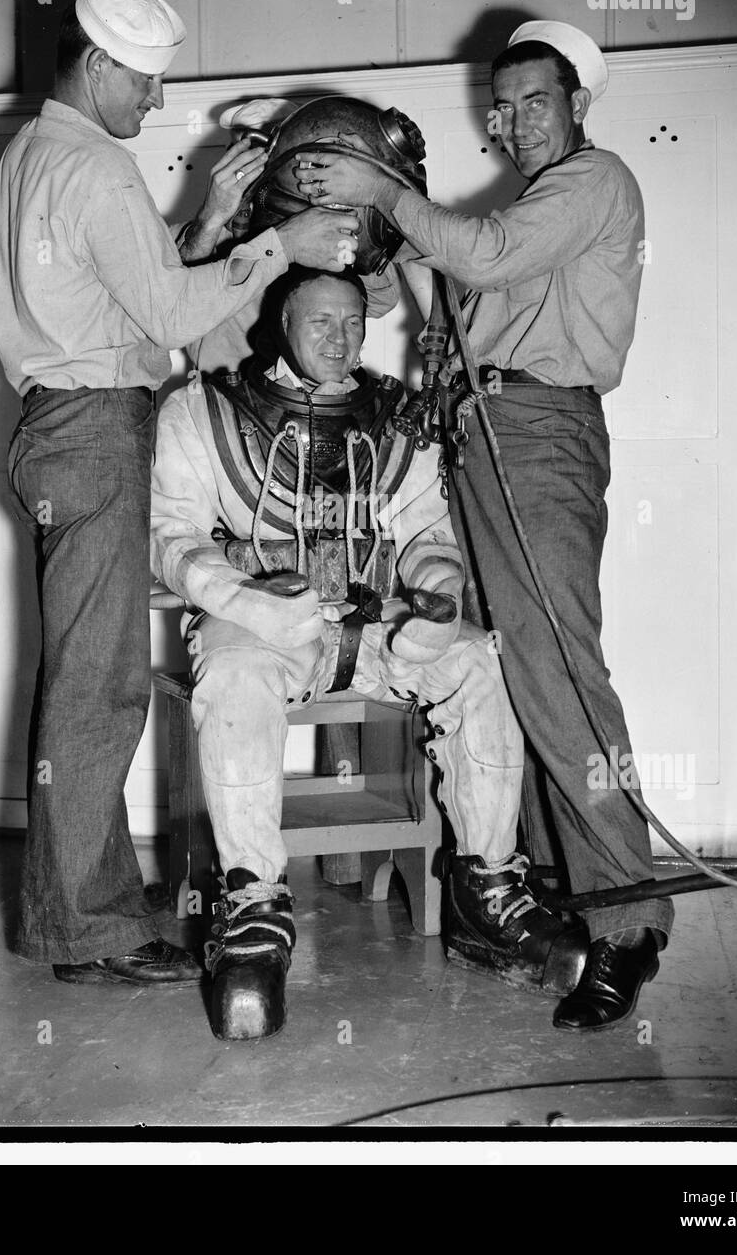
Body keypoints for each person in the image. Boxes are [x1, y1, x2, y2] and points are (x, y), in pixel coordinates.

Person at [292, 20, 674, 1032]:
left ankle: (628, 921)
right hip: (479, 436)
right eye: (500, 107)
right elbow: (454, 283)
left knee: (557, 671)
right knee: (500, 666)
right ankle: (544, 888)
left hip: (539, 436)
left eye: (532, 100)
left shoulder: (595, 184)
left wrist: (386, 196)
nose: (511, 120)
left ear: (577, 104)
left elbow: (480, 252)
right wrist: (378, 263)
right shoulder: (525, 205)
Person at [0, 0, 360, 986]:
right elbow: (166, 317)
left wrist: (207, 220)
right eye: (145, 82)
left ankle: (94, 903)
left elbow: (131, 291)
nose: (156, 102)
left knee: (87, 678)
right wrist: (281, 240)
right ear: (100, 62)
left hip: (63, 425)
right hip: (96, 427)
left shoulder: (35, 151)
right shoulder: (97, 167)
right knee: (97, 688)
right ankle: (88, 928)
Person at [150, 266, 588, 1039]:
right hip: (262, 624)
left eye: (352, 322)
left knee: (480, 663)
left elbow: (427, 533)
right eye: (320, 321)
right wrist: (249, 602)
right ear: (282, 324)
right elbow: (169, 538)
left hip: (377, 625)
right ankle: (252, 908)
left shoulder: (396, 418)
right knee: (237, 672)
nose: (339, 336)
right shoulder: (205, 411)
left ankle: (484, 891)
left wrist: (438, 592)